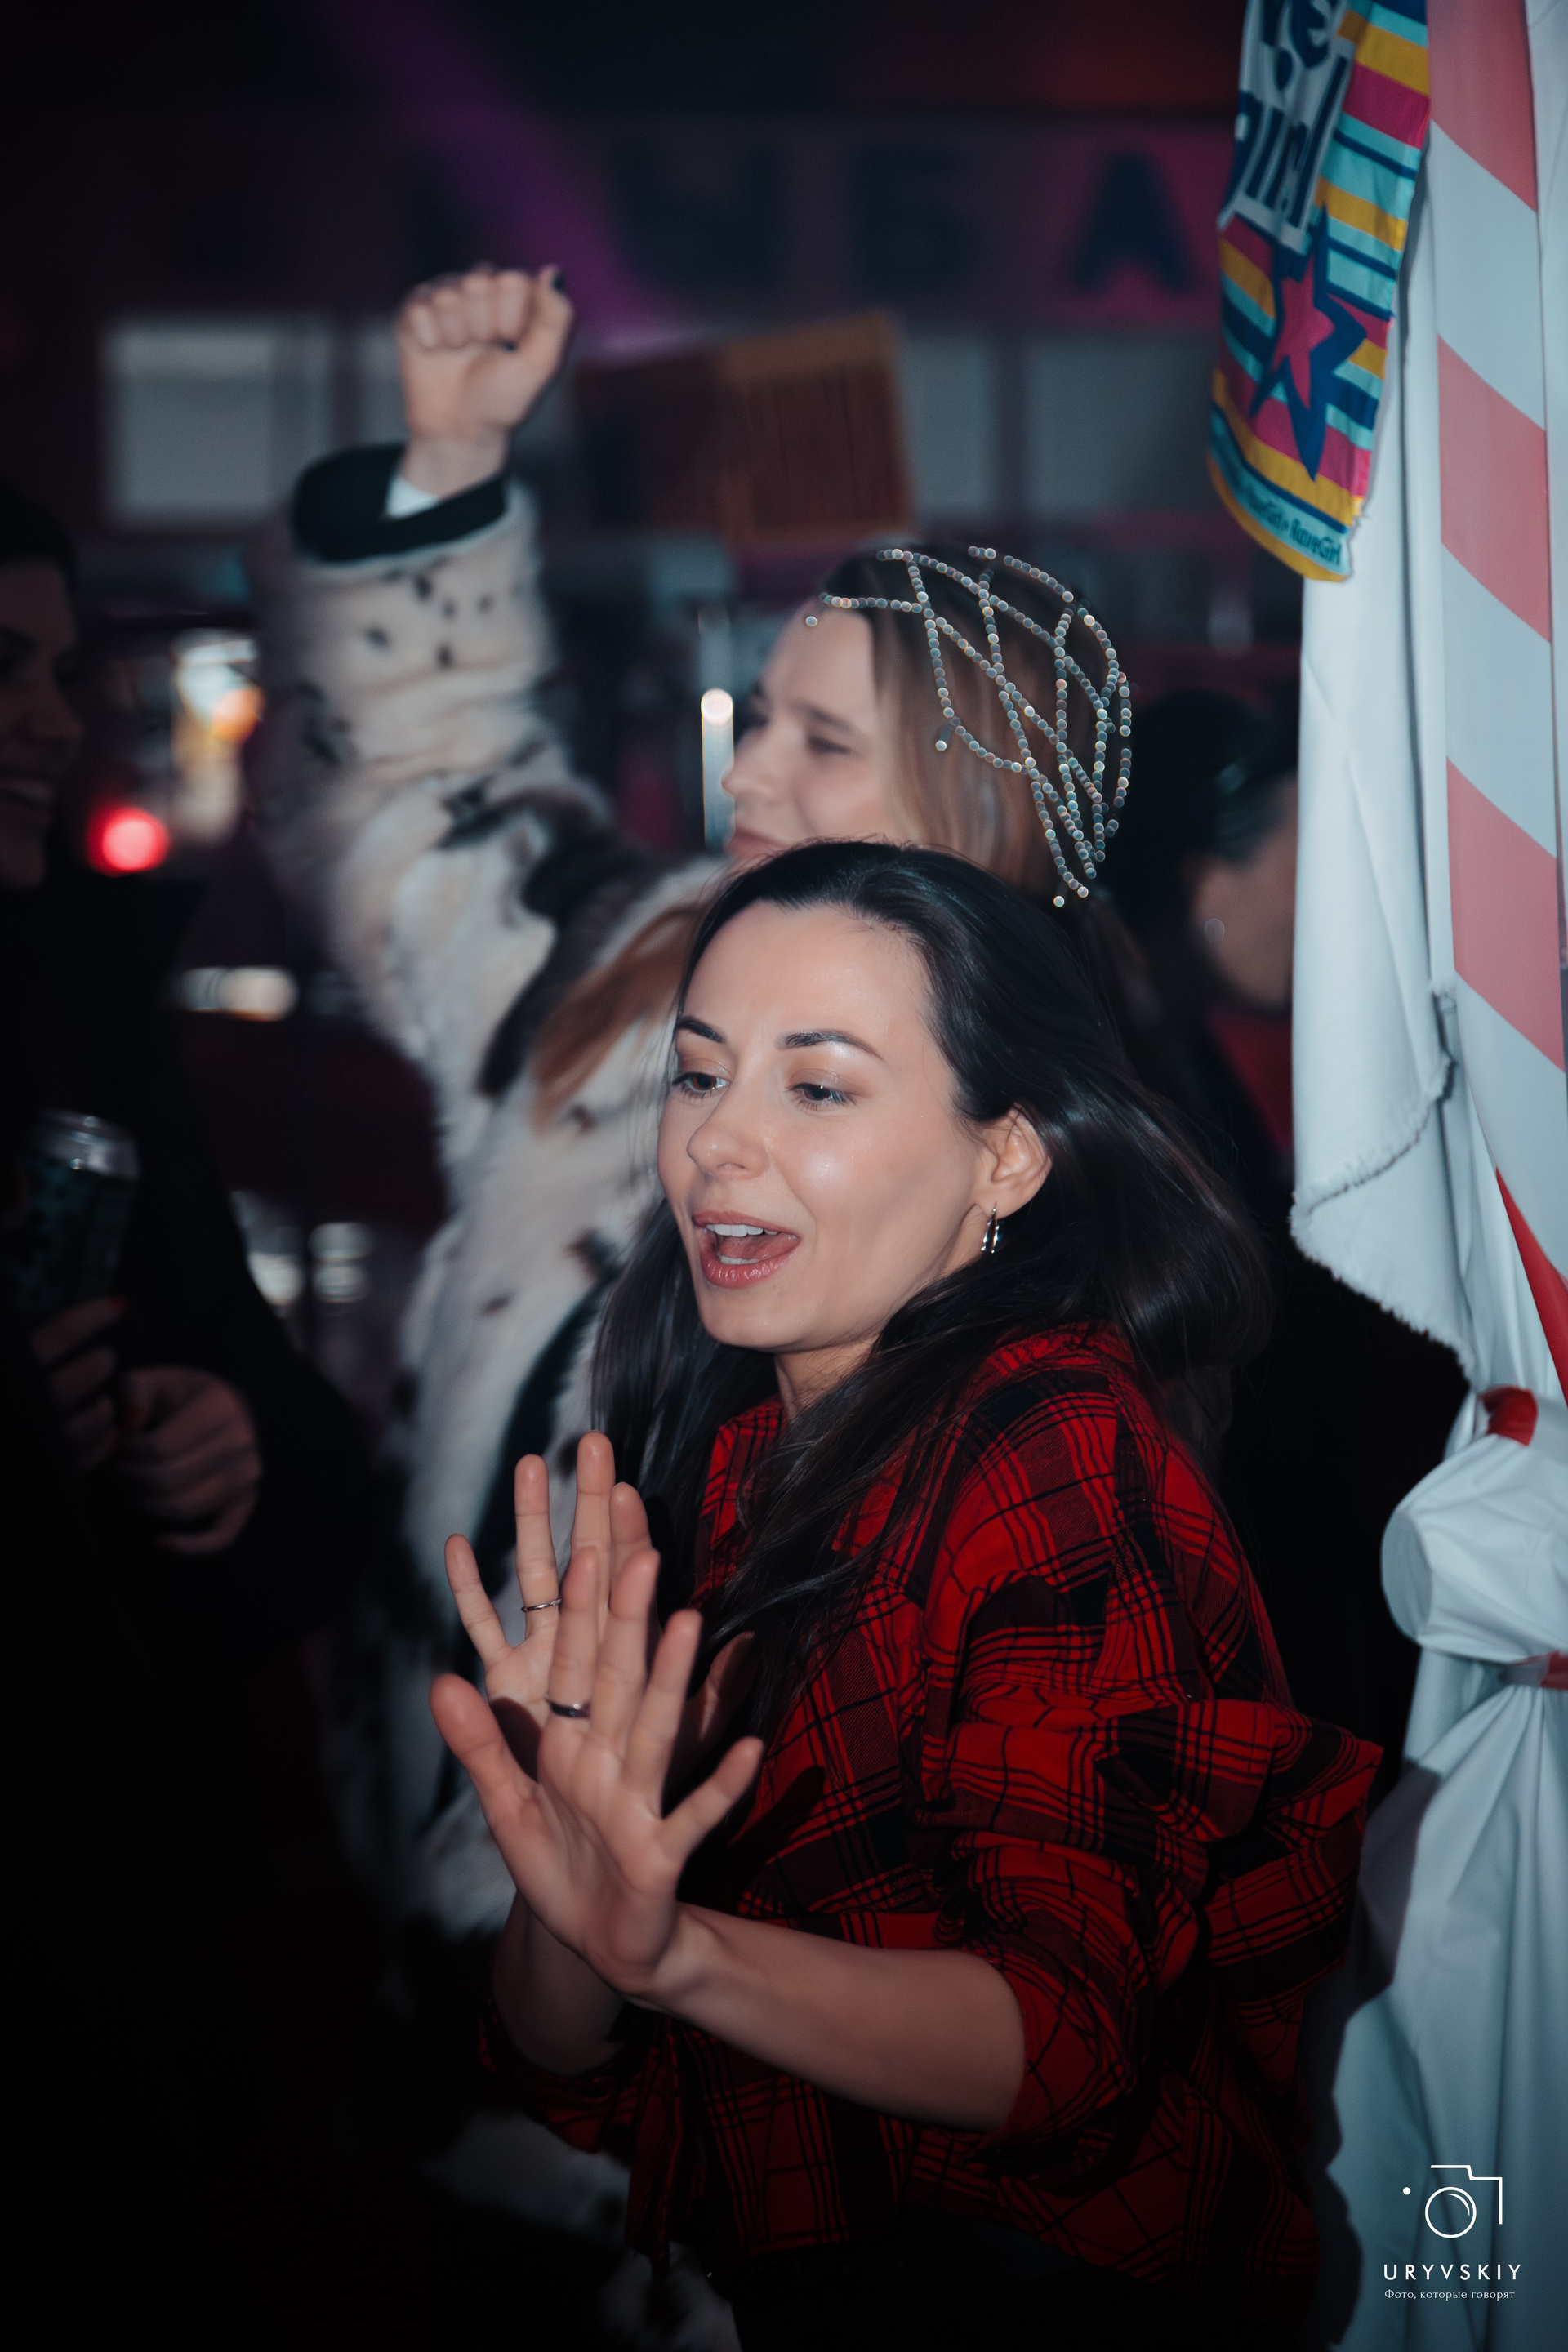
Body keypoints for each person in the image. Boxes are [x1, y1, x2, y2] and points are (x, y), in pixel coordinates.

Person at [430, 841, 1379, 2350]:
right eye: (699, 1074)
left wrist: (676, 1954)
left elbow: (1058, 2035)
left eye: (817, 1088)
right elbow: (556, 2053)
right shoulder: (739, 1455)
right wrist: (580, 1882)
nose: (719, 1142)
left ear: (1007, 1158)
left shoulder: (1052, 1451)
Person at [1, 477, 373, 2314]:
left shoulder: (85, 1008)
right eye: (2, 669)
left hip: (149, 1968)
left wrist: (229, 1441)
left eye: (60, 670)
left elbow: (304, 1452)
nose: (49, 720)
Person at [1099, 692, 1466, 1769]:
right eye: (1315, 867)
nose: (1341, 908)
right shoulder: (1127, 1097)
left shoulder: (1178, 1054)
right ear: (1203, 881)